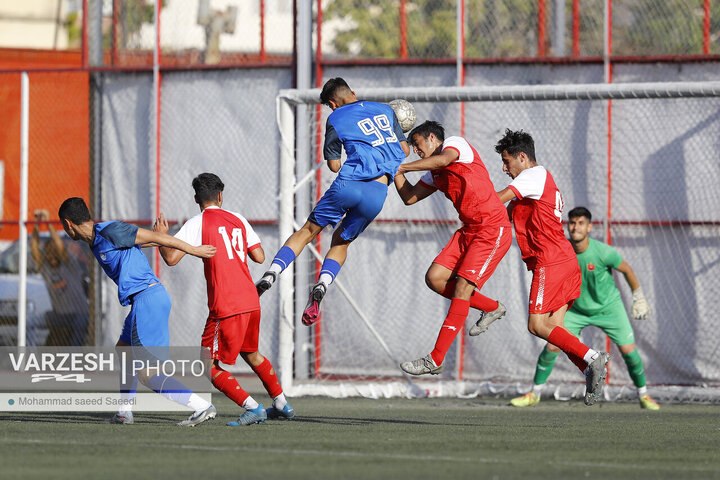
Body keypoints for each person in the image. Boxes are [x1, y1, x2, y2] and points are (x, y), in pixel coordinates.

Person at [255, 77, 410, 324]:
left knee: (307, 231)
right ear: (353, 92)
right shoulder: (386, 110)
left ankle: (271, 274)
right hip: (376, 193)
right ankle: (322, 285)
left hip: (348, 185)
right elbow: (404, 151)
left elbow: (334, 164)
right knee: (340, 242)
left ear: (332, 103)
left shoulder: (336, 118)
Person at [58, 197, 218, 426]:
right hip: (143, 301)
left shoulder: (110, 230)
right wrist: (160, 238)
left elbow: (154, 237)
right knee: (123, 350)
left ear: (68, 223)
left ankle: (201, 406)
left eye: (63, 226)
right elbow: (149, 241)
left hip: (148, 300)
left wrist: (194, 250)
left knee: (148, 375)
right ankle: (124, 412)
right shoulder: (97, 240)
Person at [154, 173, 295, 426]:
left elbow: (171, 259)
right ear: (221, 195)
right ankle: (281, 402)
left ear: (196, 198)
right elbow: (259, 256)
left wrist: (161, 239)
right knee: (251, 353)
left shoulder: (198, 223)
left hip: (226, 305)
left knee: (208, 365)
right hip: (251, 300)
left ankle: (252, 407)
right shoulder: (238, 218)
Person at [494, 129, 610, 406]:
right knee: (555, 331)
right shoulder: (534, 184)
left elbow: (496, 201)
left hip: (551, 260)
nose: (504, 167)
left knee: (536, 325)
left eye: (507, 161)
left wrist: (469, 194)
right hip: (564, 260)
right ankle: (590, 369)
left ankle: (594, 358)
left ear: (523, 157)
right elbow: (504, 212)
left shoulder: (532, 176)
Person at [392, 121, 512, 375]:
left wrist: (403, 165)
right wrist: (395, 172)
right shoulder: (433, 173)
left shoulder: (455, 144)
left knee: (461, 287)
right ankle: (491, 307)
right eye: (412, 146)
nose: (415, 150)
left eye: (417, 143)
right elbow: (409, 197)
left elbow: (442, 161)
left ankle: (435, 359)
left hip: (492, 228)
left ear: (433, 138)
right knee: (434, 278)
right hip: (468, 230)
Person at [511, 206, 659, 410]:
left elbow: (626, 269)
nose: (575, 227)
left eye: (581, 223)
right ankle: (534, 393)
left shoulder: (603, 252)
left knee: (629, 352)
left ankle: (643, 394)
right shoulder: (563, 250)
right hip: (576, 310)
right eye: (572, 222)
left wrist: (639, 297)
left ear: (589, 227)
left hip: (608, 309)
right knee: (551, 346)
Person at [30, 209, 89, 346]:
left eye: (53, 251)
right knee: (30, 322)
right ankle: (29, 358)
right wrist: (37, 224)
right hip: (60, 315)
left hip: (79, 314)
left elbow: (60, 247)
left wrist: (49, 223)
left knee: (80, 326)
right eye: (48, 252)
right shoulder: (45, 268)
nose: (51, 255)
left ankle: (75, 360)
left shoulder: (69, 264)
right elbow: (33, 247)